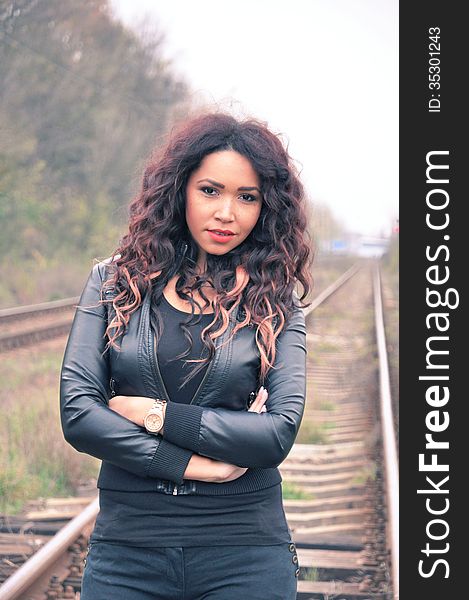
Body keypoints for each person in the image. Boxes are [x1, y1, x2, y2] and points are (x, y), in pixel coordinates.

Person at [60, 112, 313, 600]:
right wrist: (199, 464)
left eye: (247, 197)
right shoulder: (114, 284)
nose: (227, 213)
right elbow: (78, 415)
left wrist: (153, 414)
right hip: (129, 551)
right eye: (211, 190)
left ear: (267, 208)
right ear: (180, 190)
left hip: (244, 552)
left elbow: (276, 434)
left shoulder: (277, 303)